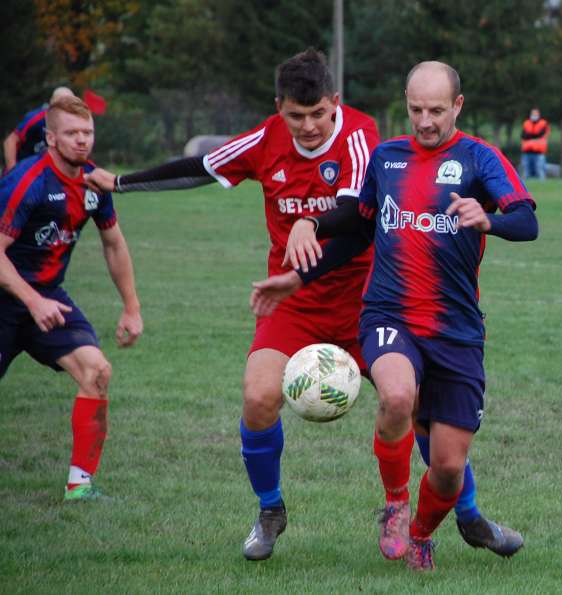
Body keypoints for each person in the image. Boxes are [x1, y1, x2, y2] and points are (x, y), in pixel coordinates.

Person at [85, 49, 521, 562]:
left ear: (336, 104)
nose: (310, 126)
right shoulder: (266, 139)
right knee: (257, 396)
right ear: (279, 109)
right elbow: (201, 167)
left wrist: (308, 227)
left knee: (417, 411)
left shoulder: (362, 139)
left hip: (366, 300)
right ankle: (270, 511)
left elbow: (357, 224)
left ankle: (465, 512)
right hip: (292, 301)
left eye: (319, 114)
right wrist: (120, 181)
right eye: (297, 116)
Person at [279, 61, 539, 571]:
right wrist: (309, 221)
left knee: (446, 467)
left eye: (436, 110)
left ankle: (421, 533)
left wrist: (490, 219)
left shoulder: (479, 158)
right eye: (416, 109)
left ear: (457, 106)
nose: (425, 121)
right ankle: (396, 504)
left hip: (457, 331)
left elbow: (527, 221)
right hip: (389, 314)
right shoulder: (387, 157)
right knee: (397, 395)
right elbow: (359, 221)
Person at [0, 95, 143, 501]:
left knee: (96, 372)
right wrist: (32, 301)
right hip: (9, 297)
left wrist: (131, 307)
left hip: (48, 298)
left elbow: (113, 244)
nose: (82, 141)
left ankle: (80, 487)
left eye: (88, 133)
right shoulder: (27, 182)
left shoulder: (94, 183)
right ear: (50, 139)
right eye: (71, 134)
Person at [3, 87, 76, 175]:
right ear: (52, 102)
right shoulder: (37, 118)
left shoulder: (73, 124)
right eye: (61, 101)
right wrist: (13, 173)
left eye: (69, 102)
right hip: (21, 171)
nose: (65, 105)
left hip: (43, 176)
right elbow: (9, 142)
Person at [520, 107, 549, 180]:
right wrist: (533, 136)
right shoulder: (526, 123)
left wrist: (530, 136)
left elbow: (541, 134)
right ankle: (525, 189)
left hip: (539, 151)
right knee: (526, 171)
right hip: (527, 151)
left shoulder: (543, 123)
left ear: (539, 114)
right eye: (533, 114)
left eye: (536, 114)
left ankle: (543, 186)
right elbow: (524, 135)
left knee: (540, 170)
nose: (534, 115)